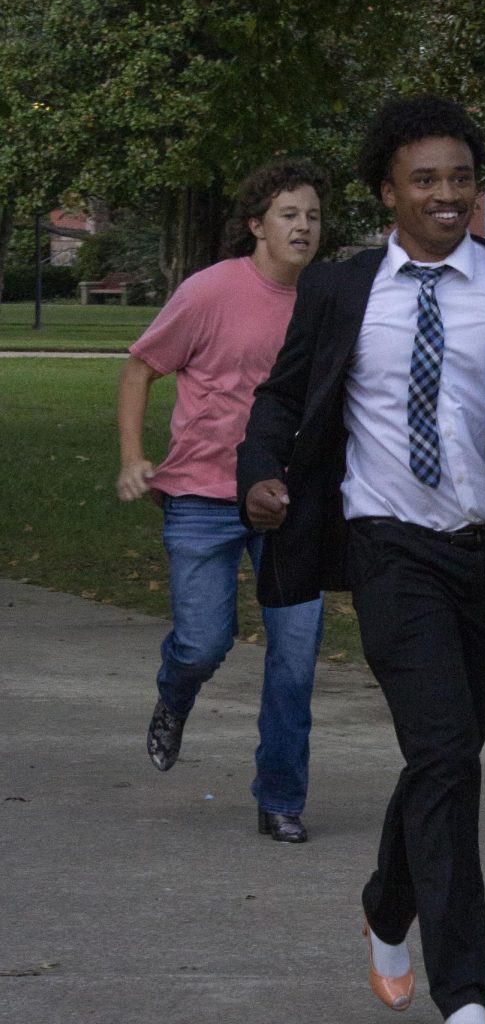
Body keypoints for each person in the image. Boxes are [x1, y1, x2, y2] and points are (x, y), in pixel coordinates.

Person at [236, 97, 485, 1024]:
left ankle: (384, 901)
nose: (447, 195)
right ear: (387, 192)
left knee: (444, 760)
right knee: (445, 756)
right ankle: (466, 996)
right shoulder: (341, 291)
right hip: (389, 546)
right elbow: (279, 401)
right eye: (425, 180)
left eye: (460, 178)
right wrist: (261, 480)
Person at [116, 159, 328, 844]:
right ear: (256, 225)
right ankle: (174, 694)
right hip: (203, 496)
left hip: (290, 502)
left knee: (295, 660)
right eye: (289, 214)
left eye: (313, 215)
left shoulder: (328, 301)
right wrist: (132, 459)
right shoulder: (209, 292)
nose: (303, 225)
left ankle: (281, 797)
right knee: (203, 643)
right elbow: (141, 368)